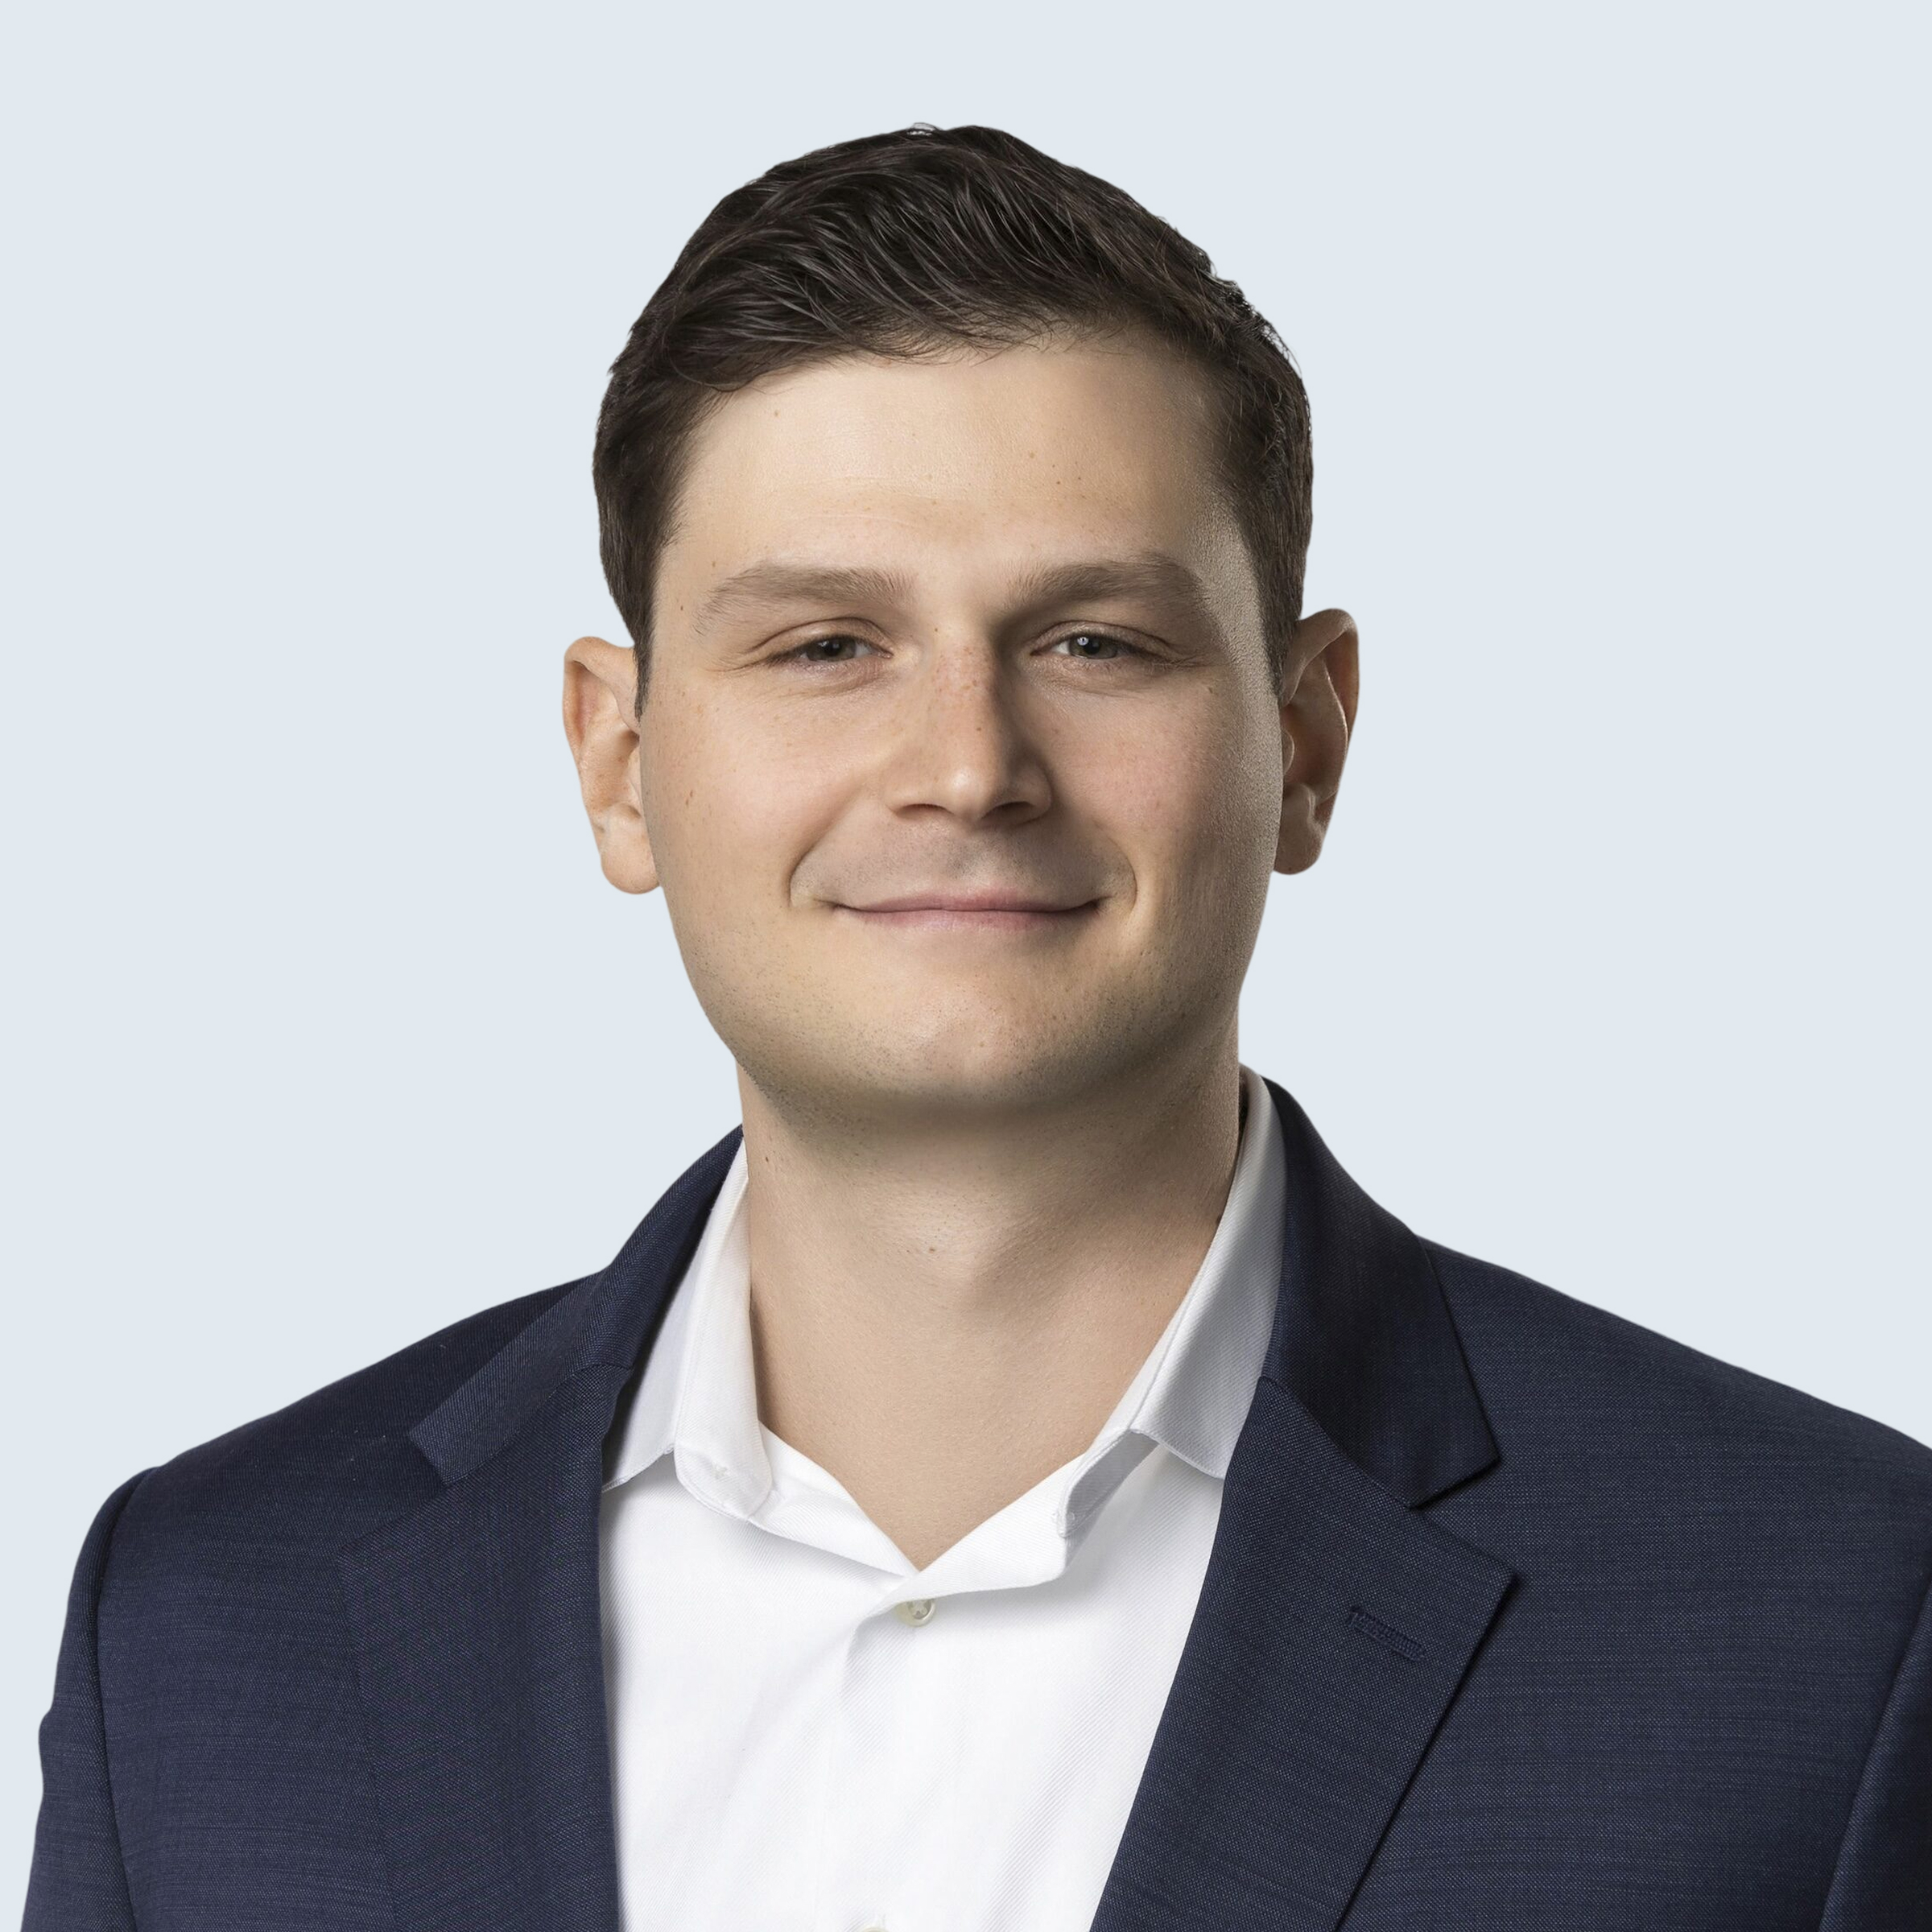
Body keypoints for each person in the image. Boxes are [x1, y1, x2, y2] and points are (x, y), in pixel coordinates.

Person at [23, 121, 1931, 1932]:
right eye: (824, 646)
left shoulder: (1829, 1626)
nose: (966, 766)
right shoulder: (201, 1624)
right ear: (619, 763)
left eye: (1094, 641)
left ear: (1307, 742)